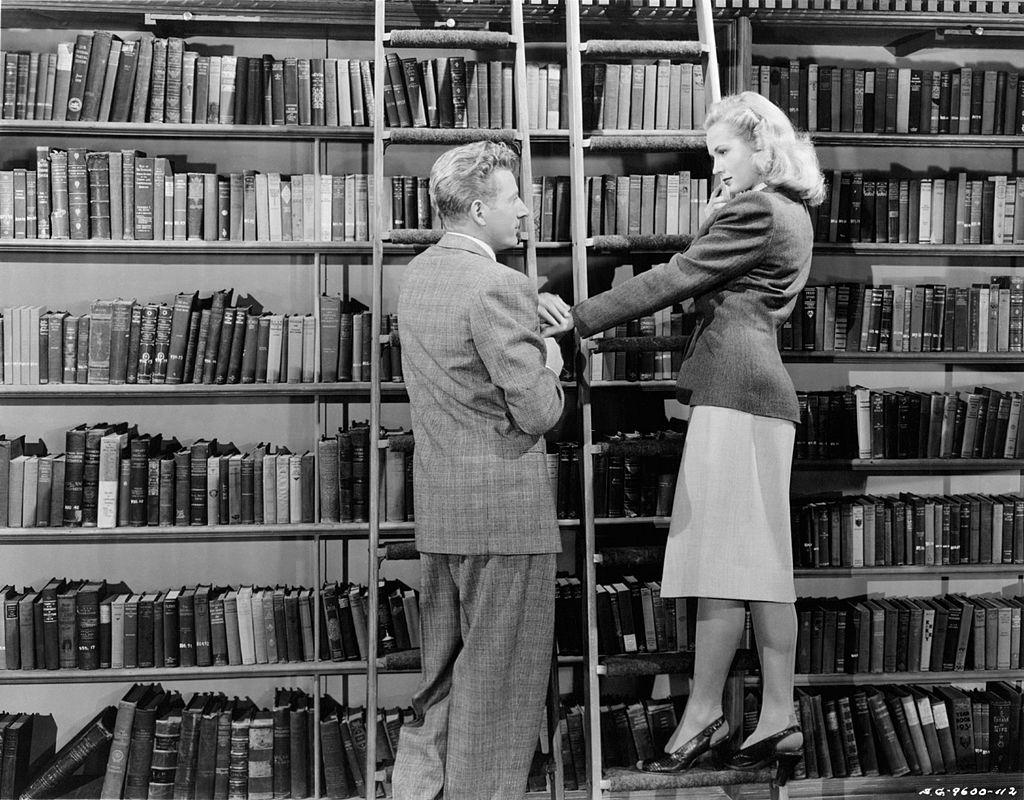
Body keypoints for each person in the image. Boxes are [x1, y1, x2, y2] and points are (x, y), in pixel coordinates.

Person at [543, 92, 825, 785]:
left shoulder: (757, 210)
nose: (717, 167)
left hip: (739, 394)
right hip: (750, 393)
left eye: (725, 151)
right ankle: (746, 712)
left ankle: (733, 712)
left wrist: (578, 318)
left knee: (741, 560)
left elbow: (678, 277)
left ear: (763, 148)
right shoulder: (789, 212)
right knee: (742, 561)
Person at [392, 140, 566, 800]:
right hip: (505, 518)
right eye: (512, 197)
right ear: (475, 207)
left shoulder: (419, 276)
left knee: (441, 681)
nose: (523, 208)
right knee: (497, 689)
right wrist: (548, 355)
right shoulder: (501, 284)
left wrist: (525, 314)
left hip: (443, 513)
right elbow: (538, 411)